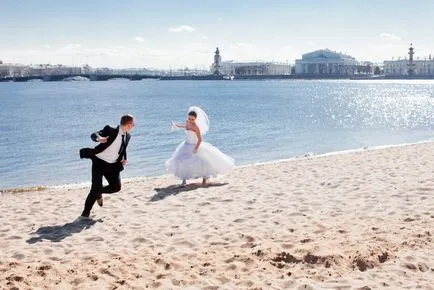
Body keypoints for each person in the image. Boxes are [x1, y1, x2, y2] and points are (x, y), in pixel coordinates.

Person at [79, 114, 135, 218]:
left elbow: (123, 147)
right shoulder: (110, 130)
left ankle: (99, 192)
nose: (134, 126)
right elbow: (94, 134)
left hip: (113, 165)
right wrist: (99, 138)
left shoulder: (128, 136)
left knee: (116, 187)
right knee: (95, 188)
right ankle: (85, 214)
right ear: (128, 124)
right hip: (99, 162)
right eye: (133, 124)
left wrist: (124, 158)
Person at [166, 106, 234, 186]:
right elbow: (186, 127)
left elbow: (200, 139)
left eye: (193, 119)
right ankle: (184, 180)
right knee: (182, 162)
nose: (191, 120)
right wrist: (178, 126)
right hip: (186, 145)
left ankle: (204, 179)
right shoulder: (187, 122)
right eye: (190, 118)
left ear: (195, 119)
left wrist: (196, 148)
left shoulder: (196, 127)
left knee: (202, 162)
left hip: (195, 145)